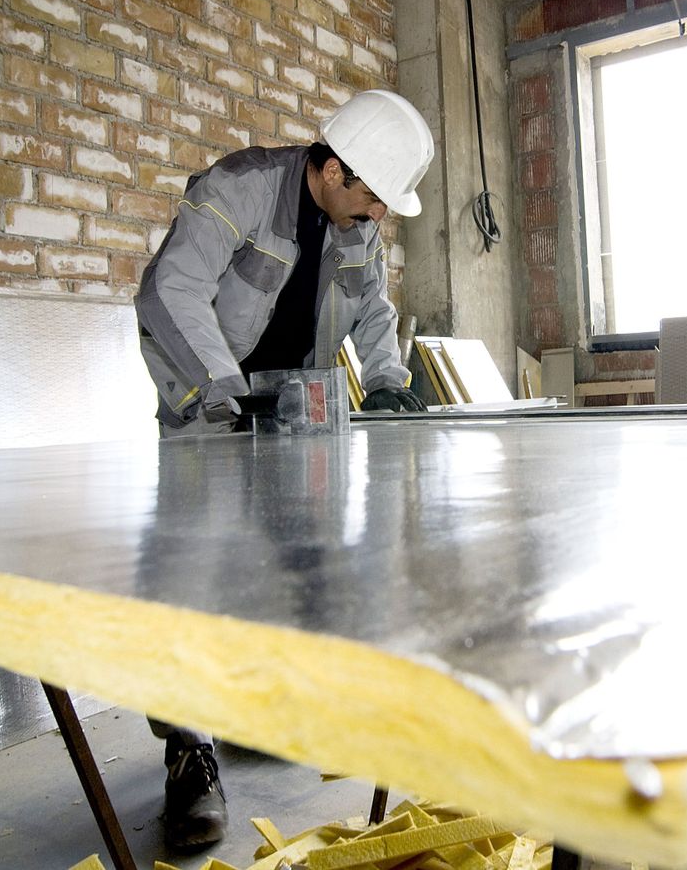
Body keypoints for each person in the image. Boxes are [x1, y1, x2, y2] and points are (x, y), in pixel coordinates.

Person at [132, 88, 433, 851]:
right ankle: (190, 753)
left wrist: (391, 376)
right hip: (210, 404)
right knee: (191, 579)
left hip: (296, 409)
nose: (378, 215)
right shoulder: (236, 190)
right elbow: (170, 291)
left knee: (302, 560)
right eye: (371, 197)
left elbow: (372, 310)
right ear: (333, 170)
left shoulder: (354, 224)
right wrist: (221, 395)